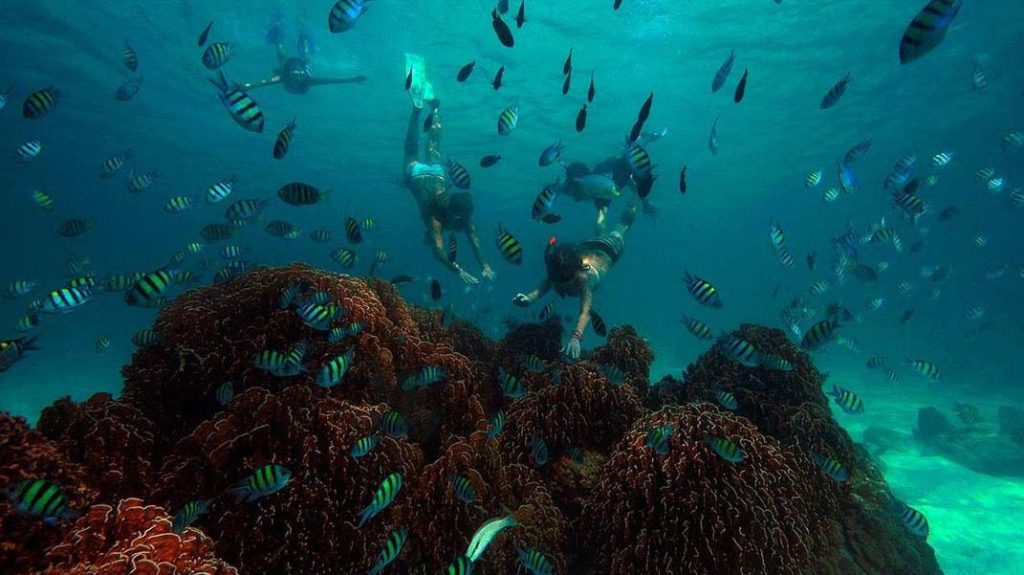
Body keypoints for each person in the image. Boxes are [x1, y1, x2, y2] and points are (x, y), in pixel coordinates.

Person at [512, 200, 639, 359]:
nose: (558, 283)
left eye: (562, 280)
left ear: (575, 274)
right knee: (600, 232)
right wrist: (529, 298)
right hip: (588, 246)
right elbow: (548, 283)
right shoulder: (558, 270)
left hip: (609, 249)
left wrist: (576, 337)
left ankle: (634, 197)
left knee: (621, 228)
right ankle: (603, 205)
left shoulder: (586, 279)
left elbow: (585, 312)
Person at [402, 98, 494, 285]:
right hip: (417, 177)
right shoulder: (437, 219)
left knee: (432, 146)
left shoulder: (457, 213)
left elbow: (444, 248)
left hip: (437, 177)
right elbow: (439, 249)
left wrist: (484, 265)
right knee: (413, 150)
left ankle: (430, 109)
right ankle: (422, 110)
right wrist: (461, 269)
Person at [242, 42, 365, 94]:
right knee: (304, 61)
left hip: (292, 67)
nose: (297, 76)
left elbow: (332, 80)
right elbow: (263, 83)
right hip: (292, 66)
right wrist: (248, 87)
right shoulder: (285, 78)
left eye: (298, 75)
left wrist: (353, 79)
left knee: (299, 61)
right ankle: (298, 42)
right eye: (297, 75)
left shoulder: (304, 81)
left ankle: (303, 43)